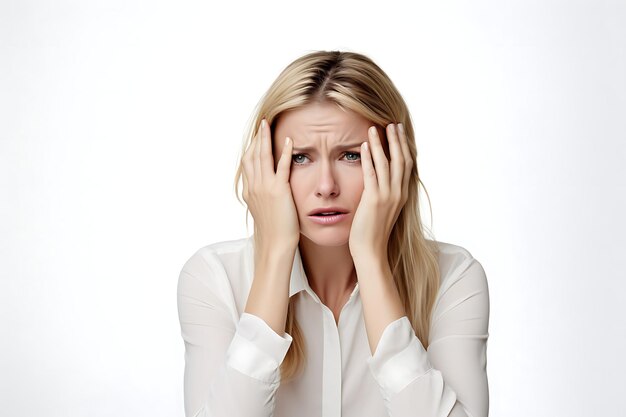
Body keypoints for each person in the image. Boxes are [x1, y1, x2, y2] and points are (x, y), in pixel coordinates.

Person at [177, 50, 490, 417]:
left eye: (351, 156)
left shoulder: (454, 278)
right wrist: (277, 252)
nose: (326, 186)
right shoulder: (214, 279)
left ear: (395, 162)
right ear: (264, 167)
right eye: (300, 158)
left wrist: (371, 261)